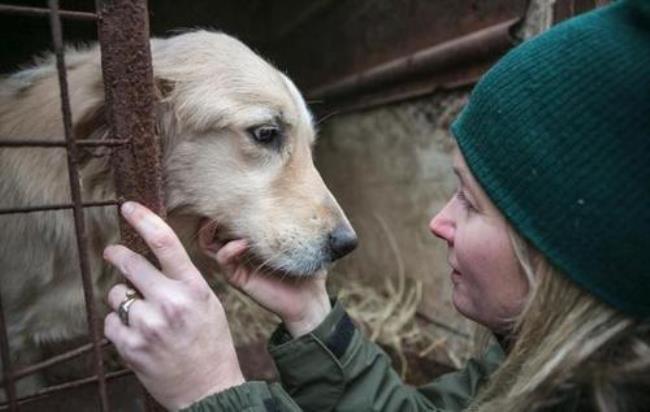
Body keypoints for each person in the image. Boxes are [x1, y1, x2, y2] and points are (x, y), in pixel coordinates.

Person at [102, 1, 650, 411]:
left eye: (471, 203)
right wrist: (311, 317)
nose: (439, 222)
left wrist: (212, 389)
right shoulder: (538, 368)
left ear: (563, 251)